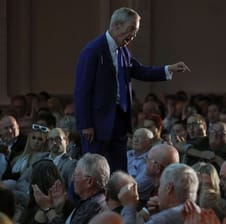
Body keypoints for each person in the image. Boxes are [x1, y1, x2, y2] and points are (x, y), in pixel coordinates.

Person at [74, 7, 190, 172]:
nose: (133, 36)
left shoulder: (124, 51)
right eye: (131, 30)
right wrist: (86, 124)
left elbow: (140, 70)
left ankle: (118, 197)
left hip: (119, 119)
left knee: (119, 168)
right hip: (97, 122)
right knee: (93, 169)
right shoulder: (93, 51)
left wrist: (168, 68)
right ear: (116, 26)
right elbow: (82, 91)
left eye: (135, 32)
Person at [33, 153, 110, 224]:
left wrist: (48, 209)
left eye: (76, 174)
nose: (73, 179)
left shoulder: (95, 206)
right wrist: (61, 206)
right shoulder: (90, 202)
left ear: (89, 181)